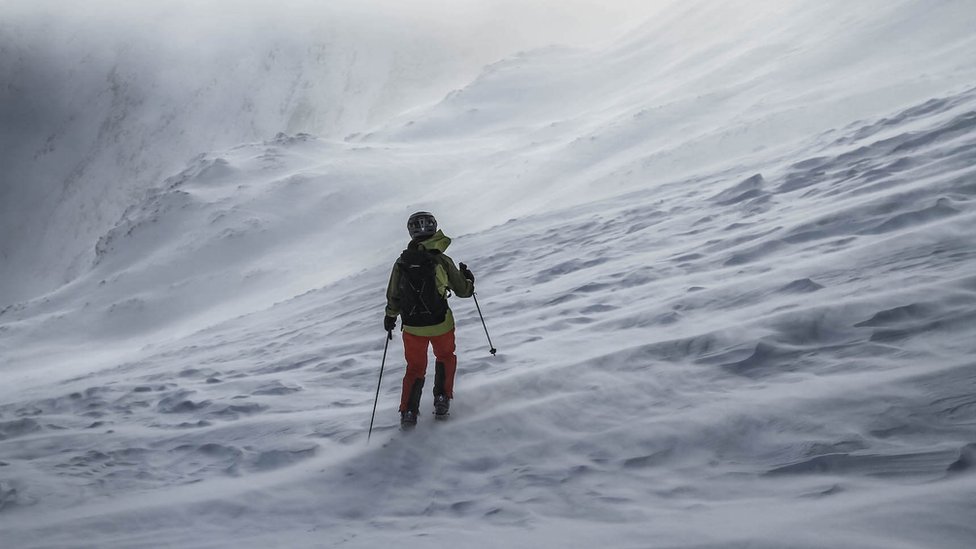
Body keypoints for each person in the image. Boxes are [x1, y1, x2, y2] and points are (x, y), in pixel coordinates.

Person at [384, 211, 475, 428]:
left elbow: (394, 293)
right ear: (434, 229)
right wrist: (469, 280)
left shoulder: (402, 262)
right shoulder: (441, 259)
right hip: (441, 322)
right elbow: (463, 291)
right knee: (445, 357)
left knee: (415, 368)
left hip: (413, 327)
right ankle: (442, 398)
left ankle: (408, 412)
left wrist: (390, 316)